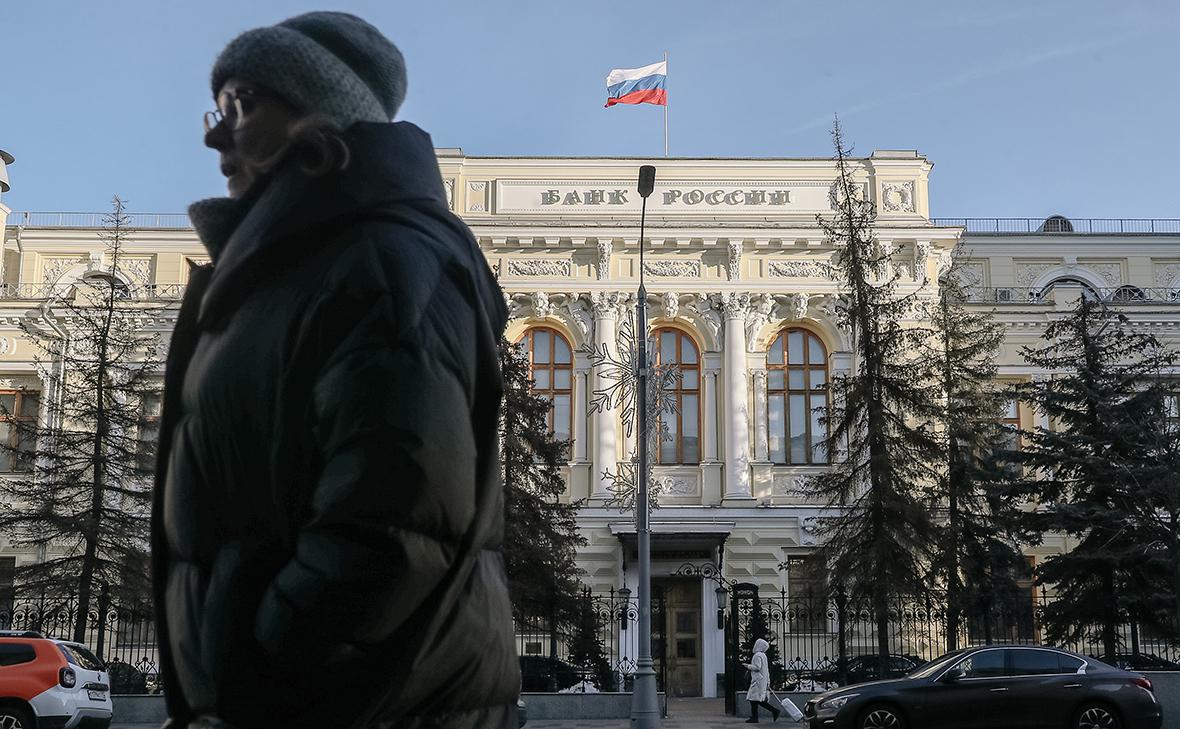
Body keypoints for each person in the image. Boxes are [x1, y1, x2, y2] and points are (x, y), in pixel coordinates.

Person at [150, 12, 519, 729]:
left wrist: (259, 679)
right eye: (217, 106)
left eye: (244, 104)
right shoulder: (297, 263)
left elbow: (393, 526)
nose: (214, 134)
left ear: (317, 115)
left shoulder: (380, 260)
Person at [743, 638, 780, 723]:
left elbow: (757, 667)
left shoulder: (757, 655)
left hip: (757, 680)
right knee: (756, 700)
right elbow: (766, 669)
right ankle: (756, 717)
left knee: (754, 699)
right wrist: (768, 681)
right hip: (762, 680)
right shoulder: (763, 655)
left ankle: (772, 711)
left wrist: (748, 666)